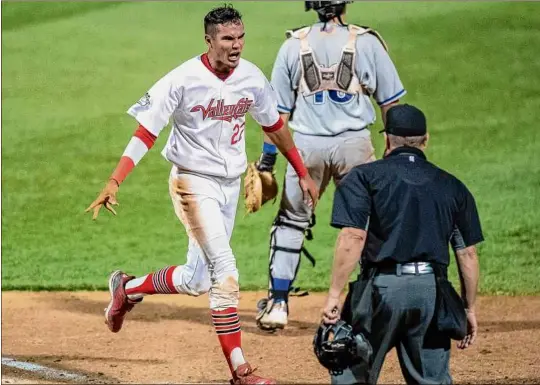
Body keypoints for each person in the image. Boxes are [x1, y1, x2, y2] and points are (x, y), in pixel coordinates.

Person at [85, 5, 318, 385]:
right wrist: (115, 180)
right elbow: (146, 132)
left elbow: (274, 126)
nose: (236, 45)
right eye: (227, 38)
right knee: (224, 273)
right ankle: (241, 370)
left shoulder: (251, 77)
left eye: (240, 37)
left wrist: (302, 171)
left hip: (229, 186)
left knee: (196, 279)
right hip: (192, 183)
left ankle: (125, 289)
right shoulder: (182, 79)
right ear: (208, 40)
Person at [255, 0, 407, 331]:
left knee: (291, 221)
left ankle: (278, 304)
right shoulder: (367, 42)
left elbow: (276, 116)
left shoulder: (291, 46)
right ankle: (373, 305)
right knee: (364, 225)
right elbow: (391, 104)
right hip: (355, 146)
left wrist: (267, 160)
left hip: (305, 149)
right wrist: (395, 150)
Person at [321, 104, 483, 384]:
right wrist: (468, 308)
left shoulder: (363, 177)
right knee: (432, 380)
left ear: (387, 140)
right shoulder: (453, 186)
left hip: (381, 292)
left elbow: (353, 237)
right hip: (431, 294)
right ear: (426, 139)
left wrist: (334, 296)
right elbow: (467, 254)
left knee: (352, 376)